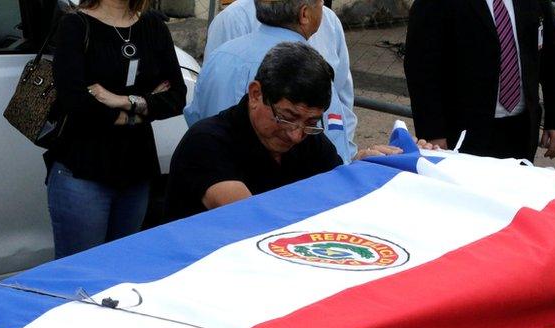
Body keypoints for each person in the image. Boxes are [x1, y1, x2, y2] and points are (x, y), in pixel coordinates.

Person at [166, 42, 412, 222]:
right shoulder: (207, 143)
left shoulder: (308, 138)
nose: (295, 135)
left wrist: (360, 168)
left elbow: (337, 188)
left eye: (311, 122)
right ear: (255, 94)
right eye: (286, 117)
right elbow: (253, 220)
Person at [46, 0, 186, 258]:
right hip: (84, 172)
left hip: (136, 171)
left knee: (119, 273)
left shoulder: (153, 25)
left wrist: (121, 100)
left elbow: (177, 97)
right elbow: (76, 102)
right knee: (81, 275)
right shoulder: (75, 25)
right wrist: (143, 107)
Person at [184, 0, 355, 164]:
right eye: (321, 3)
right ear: (304, 14)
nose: (323, 8)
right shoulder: (307, 70)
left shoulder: (220, 55)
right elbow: (334, 142)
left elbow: (195, 115)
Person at [404, 0, 555, 161]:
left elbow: (554, 59)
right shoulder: (437, 3)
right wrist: (433, 133)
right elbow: (421, 69)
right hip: (462, 132)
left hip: (521, 128)